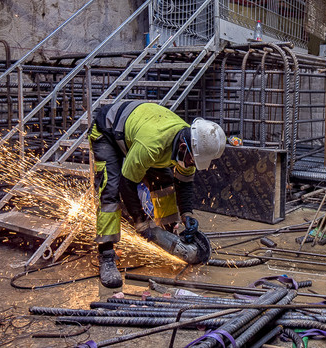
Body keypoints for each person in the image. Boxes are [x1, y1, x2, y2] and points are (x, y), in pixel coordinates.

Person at [88, 101, 226, 287]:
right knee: (110, 191)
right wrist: (141, 222)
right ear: (183, 147)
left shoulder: (192, 143)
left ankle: (168, 235)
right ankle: (106, 255)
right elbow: (127, 184)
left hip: (140, 132)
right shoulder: (152, 145)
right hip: (108, 131)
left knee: (165, 184)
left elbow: (184, 183)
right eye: (192, 161)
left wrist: (187, 214)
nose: (193, 165)